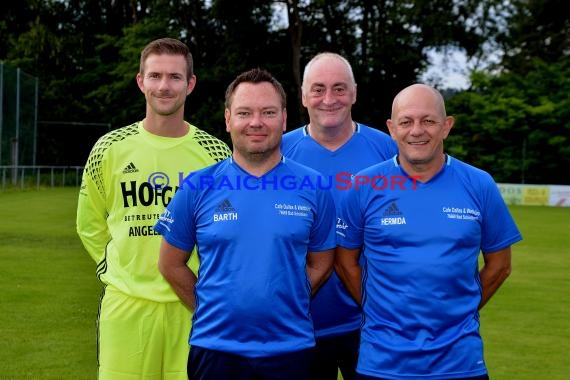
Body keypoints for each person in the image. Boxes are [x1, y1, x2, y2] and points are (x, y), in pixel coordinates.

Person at [154, 68, 337, 380]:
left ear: (283, 118)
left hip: (291, 349)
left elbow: (323, 262)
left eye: (268, 112)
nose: (256, 122)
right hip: (215, 351)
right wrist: (210, 307)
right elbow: (170, 264)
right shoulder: (198, 186)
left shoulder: (315, 186)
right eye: (244, 113)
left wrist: (288, 297)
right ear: (228, 120)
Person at [335, 83, 523, 380]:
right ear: (392, 129)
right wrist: (379, 308)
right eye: (406, 121)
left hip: (460, 363)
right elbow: (344, 262)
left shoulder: (479, 184)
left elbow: (500, 265)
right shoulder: (362, 186)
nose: (417, 130)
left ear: (446, 126)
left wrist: (461, 311)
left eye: (428, 121)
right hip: (382, 363)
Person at [76, 37, 231, 379]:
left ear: (190, 84)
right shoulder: (109, 149)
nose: (164, 86)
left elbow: (229, 227)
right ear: (140, 81)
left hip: (193, 305)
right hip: (127, 305)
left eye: (175, 77)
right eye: (155, 75)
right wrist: (117, 269)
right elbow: (89, 224)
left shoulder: (216, 153)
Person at [281, 52, 397, 380]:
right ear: (303, 95)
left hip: (372, 325)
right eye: (318, 89)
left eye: (339, 88)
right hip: (297, 326)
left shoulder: (388, 150)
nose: (329, 99)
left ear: (355, 93)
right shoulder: (278, 153)